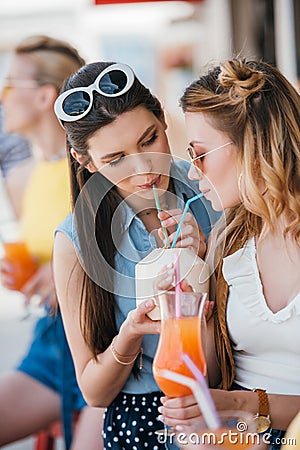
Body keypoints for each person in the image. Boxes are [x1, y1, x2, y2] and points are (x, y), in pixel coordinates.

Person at [52, 60, 219, 449]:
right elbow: (94, 392)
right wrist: (130, 334)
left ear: (163, 117)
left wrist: (206, 261)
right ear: (85, 162)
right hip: (141, 419)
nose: (144, 168)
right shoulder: (76, 239)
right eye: (115, 160)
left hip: (225, 405)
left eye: (150, 139)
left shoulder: (212, 193)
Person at [155, 58, 300, 449]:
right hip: (240, 433)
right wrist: (192, 290)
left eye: (199, 153)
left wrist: (241, 405)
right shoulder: (229, 241)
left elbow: (232, 401)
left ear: (253, 147)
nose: (192, 171)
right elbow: (210, 374)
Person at [0, 35, 103, 450]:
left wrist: (67, 270)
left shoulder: (93, 170)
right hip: (53, 338)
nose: (2, 96)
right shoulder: (23, 176)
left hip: (105, 337)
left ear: (45, 96)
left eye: (9, 84)